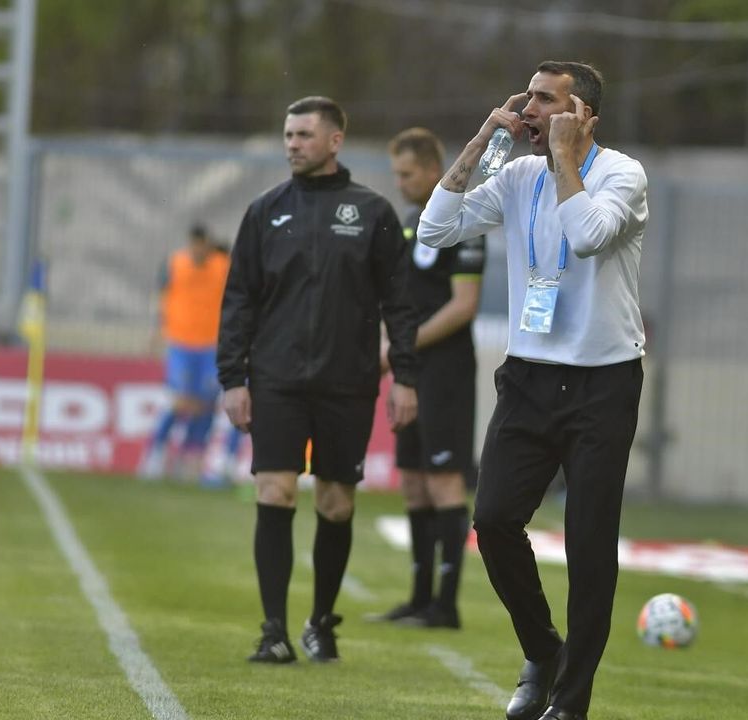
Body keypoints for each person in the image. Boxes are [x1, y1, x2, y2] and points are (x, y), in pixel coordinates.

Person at [418, 61, 647, 720]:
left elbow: (587, 236)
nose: (530, 111)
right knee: (492, 521)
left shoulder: (623, 174)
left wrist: (565, 159)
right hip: (529, 378)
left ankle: (570, 702)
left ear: (584, 116)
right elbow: (435, 230)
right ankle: (543, 651)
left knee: (589, 544)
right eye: (529, 99)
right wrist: (484, 139)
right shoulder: (516, 174)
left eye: (546, 101)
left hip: (603, 381)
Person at [217, 95, 420, 664]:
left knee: (335, 502)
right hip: (276, 379)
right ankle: (273, 630)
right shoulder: (265, 211)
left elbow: (401, 305)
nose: (293, 144)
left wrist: (405, 376)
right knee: (275, 490)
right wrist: (233, 377)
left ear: (334, 141)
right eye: (288, 135)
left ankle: (321, 621)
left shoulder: (373, 212)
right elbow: (238, 300)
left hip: (347, 382)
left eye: (304, 135)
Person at [369, 127, 485, 629]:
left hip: (447, 372)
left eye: (408, 174)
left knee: (443, 481)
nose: (400, 183)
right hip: (411, 370)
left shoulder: (464, 223)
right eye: (397, 174)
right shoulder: (409, 223)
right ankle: (418, 599)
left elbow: (463, 306)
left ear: (435, 170)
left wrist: (401, 346)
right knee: (414, 483)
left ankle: (446, 605)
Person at [139, 223, 230, 484]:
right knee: (179, 401)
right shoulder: (175, 264)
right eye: (194, 245)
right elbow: (162, 298)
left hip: (211, 345)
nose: (198, 250)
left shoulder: (222, 265)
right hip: (180, 343)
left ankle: (190, 458)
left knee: (206, 404)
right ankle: (155, 451)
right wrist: (156, 333)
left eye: (202, 245)